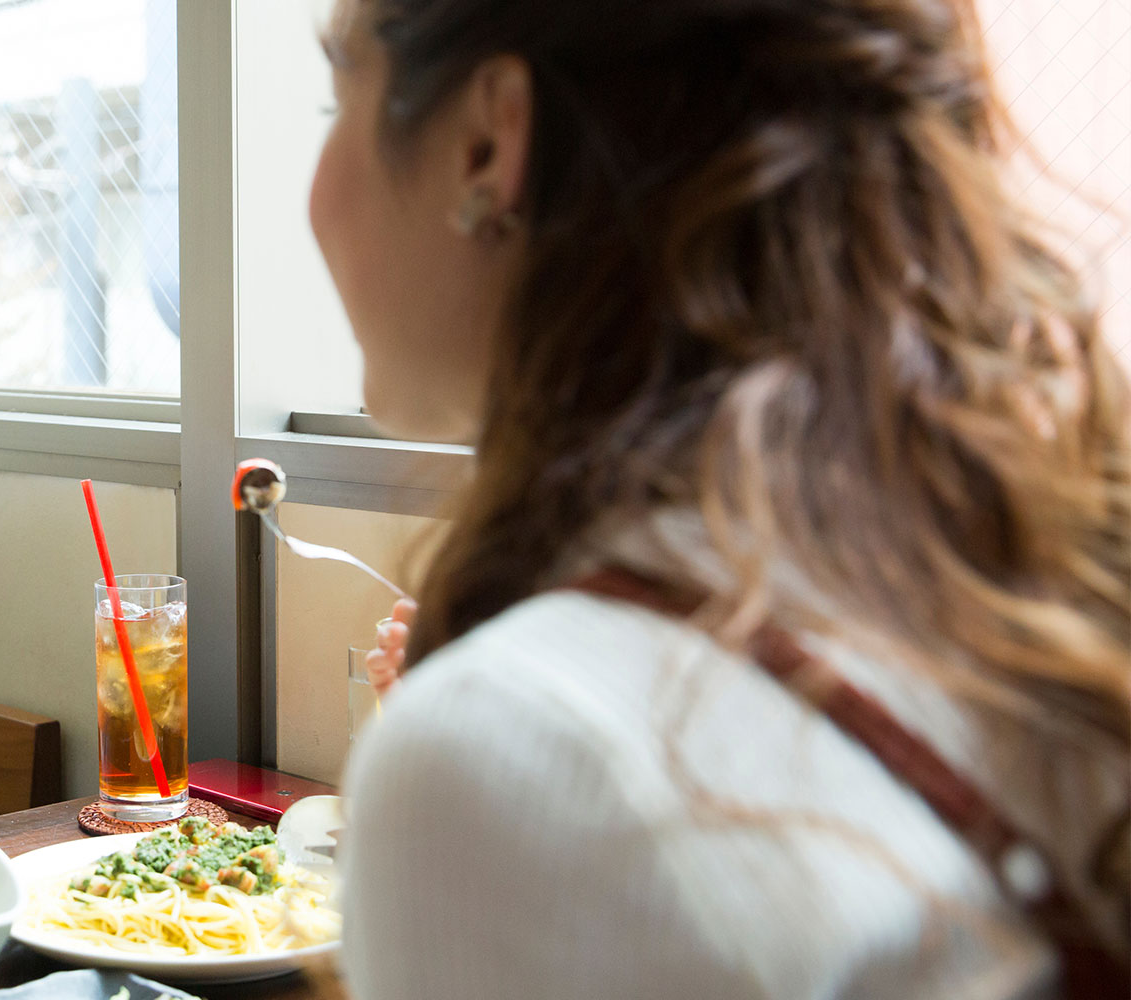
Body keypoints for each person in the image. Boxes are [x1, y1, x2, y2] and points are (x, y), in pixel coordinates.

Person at [312, 0, 1131, 995]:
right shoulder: (1006, 569)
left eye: (334, 96)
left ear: (488, 142)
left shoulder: (516, 753)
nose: (308, 197)